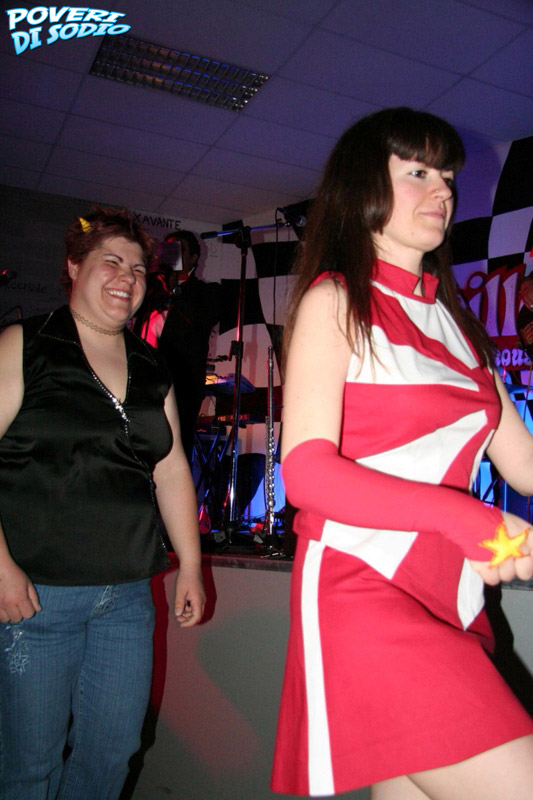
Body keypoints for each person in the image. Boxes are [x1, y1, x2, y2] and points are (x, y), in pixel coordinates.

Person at [271, 108, 533, 799]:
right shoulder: (336, 300)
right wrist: (470, 520)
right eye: (417, 171)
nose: (441, 189)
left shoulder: (458, 325)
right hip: (363, 589)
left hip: (455, 599)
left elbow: (524, 464)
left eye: (446, 175)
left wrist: (483, 532)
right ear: (363, 188)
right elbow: (306, 472)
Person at [0, 206, 205, 800]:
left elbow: (170, 468)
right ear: (73, 266)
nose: (127, 277)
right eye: (111, 261)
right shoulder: (26, 344)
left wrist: (191, 565)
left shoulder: (150, 365)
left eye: (138, 269)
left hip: (126, 598)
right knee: (30, 767)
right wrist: (2, 567)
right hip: (38, 595)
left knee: (112, 755)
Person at [134, 229, 221, 463]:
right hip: (144, 381)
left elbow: (202, 318)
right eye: (168, 249)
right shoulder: (150, 289)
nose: (172, 255)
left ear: (193, 257)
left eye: (179, 249)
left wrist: (174, 287)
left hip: (181, 386)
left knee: (175, 448)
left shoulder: (204, 292)